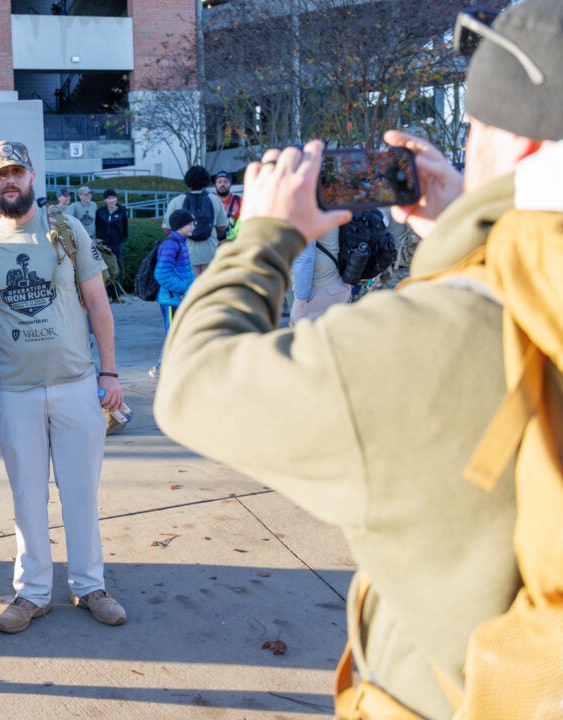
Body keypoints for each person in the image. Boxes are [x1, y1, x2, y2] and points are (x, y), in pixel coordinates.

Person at [153, 2, 563, 714]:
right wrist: (474, 226)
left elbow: (192, 382)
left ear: (523, 150)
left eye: (475, 130)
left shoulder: (438, 335)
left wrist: (263, 237)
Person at [0, 141, 127, 635]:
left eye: (17, 171)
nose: (9, 181)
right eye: (0, 175)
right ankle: (32, 593)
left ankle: (89, 585)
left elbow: (98, 304)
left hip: (76, 382)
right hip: (13, 390)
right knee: (27, 496)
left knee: (80, 491)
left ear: (32, 176)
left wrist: (109, 372)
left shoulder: (65, 229)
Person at [148, 209, 195, 379]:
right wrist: (184, 287)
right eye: (190, 224)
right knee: (174, 335)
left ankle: (164, 368)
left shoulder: (180, 242)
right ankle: (162, 369)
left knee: (176, 335)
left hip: (178, 299)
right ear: (181, 225)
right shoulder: (171, 244)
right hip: (172, 300)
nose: (193, 227)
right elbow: (161, 274)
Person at [163, 166, 229, 275]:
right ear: (206, 182)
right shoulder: (215, 200)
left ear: (188, 182)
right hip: (210, 252)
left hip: (185, 254)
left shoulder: (176, 201)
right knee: (208, 288)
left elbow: (167, 229)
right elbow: (222, 227)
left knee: (190, 289)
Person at [290, 225, 352, 322]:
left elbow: (305, 259)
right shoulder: (332, 208)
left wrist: (300, 301)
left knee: (305, 335)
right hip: (341, 286)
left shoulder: (305, 210)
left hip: (317, 293)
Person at [94, 189, 128, 266]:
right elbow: (97, 225)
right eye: (109, 198)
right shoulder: (100, 211)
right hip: (103, 244)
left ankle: (117, 278)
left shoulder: (122, 211)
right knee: (104, 266)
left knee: (117, 265)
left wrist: (121, 240)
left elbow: (125, 227)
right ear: (105, 200)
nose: (112, 200)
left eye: (114, 198)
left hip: (116, 244)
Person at [213, 170, 242, 239]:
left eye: (225, 182)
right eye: (219, 182)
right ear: (215, 184)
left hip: (232, 241)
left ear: (230, 184)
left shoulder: (239, 201)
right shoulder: (209, 200)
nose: (222, 184)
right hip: (213, 241)